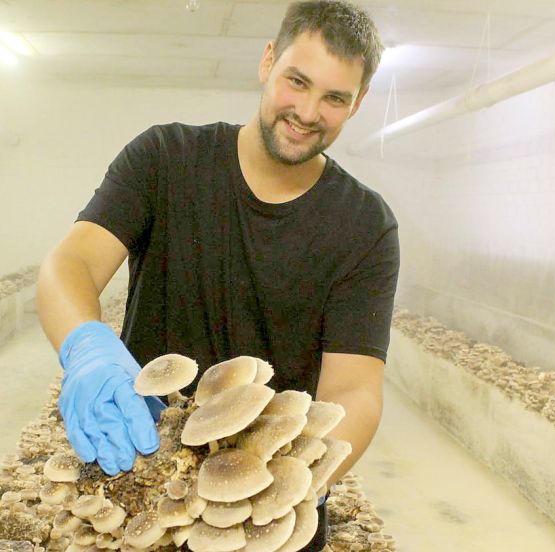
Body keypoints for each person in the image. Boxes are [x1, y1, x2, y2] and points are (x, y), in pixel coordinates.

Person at [37, 1, 397, 548]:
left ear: (358, 102)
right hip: (144, 483)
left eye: (334, 98)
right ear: (268, 60)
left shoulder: (364, 224)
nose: (306, 110)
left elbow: (355, 388)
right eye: (296, 81)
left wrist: (294, 484)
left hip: (266, 517)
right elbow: (72, 262)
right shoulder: (165, 158)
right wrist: (86, 347)